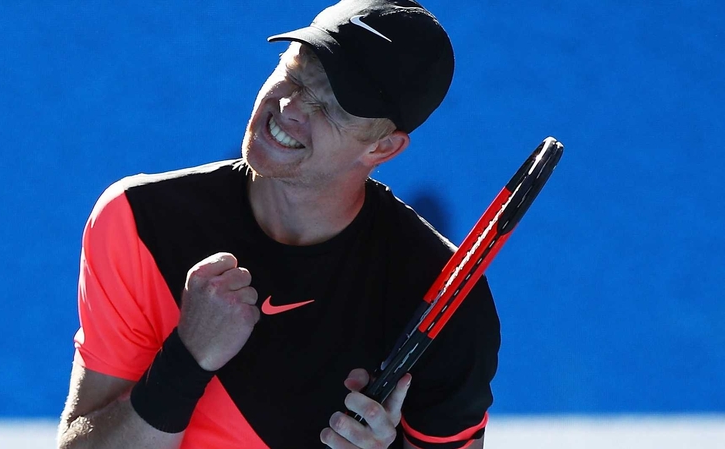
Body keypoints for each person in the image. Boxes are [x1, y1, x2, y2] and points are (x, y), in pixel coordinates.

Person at [57, 0, 500, 448]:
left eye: (333, 107)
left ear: (383, 148)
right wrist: (185, 363)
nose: (290, 106)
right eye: (296, 71)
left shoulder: (447, 298)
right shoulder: (138, 221)